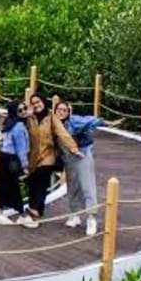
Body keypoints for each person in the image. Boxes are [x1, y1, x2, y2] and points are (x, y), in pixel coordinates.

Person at [54, 100, 123, 236]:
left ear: (69, 112)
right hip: (68, 158)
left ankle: (92, 218)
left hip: (82, 155)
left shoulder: (75, 121)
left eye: (64, 110)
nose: (61, 112)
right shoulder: (54, 124)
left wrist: (108, 123)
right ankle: (74, 215)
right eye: (59, 110)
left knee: (87, 186)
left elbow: (91, 121)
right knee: (73, 186)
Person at [24, 92, 81, 228]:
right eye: (34, 103)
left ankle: (35, 213)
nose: (37, 105)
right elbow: (17, 122)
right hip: (32, 157)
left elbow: (62, 132)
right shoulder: (29, 117)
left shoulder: (51, 118)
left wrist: (73, 148)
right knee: (32, 185)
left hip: (47, 156)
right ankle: (35, 211)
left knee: (41, 185)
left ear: (44, 102)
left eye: (38, 102)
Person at [0, 99, 31, 225]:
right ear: (15, 111)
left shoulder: (8, 122)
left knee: (2, 184)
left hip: (3, 157)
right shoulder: (19, 126)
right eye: (20, 110)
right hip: (12, 159)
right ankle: (22, 214)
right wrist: (25, 166)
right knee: (13, 186)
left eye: (25, 108)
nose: (24, 111)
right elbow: (21, 149)